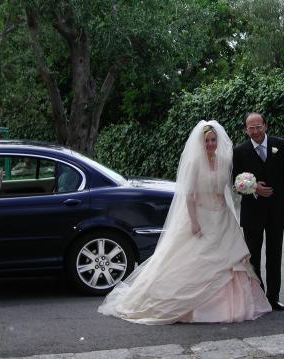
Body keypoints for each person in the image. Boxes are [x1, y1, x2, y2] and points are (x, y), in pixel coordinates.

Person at [98, 120, 271, 325]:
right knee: (195, 260)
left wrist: (247, 185)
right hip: (201, 216)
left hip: (222, 216)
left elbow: (229, 187)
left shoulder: (225, 160)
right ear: (201, 142)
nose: (210, 144)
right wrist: (194, 222)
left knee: (231, 260)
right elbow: (189, 196)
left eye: (213, 140)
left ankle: (232, 305)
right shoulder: (195, 163)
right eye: (207, 140)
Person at [232, 112, 284, 311]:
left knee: (275, 255)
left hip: (277, 210)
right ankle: (258, 298)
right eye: (251, 127)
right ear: (245, 130)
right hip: (252, 212)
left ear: (265, 126)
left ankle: (274, 297)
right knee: (254, 257)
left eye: (259, 126)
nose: (256, 131)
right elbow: (235, 182)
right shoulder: (239, 151)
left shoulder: (281, 146)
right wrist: (253, 187)